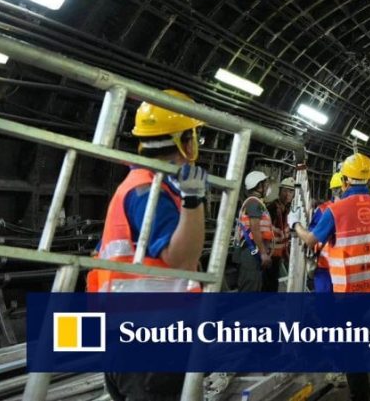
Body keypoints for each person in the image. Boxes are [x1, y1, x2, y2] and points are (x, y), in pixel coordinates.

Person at [89, 90, 209, 401]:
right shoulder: (149, 191)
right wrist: (194, 200)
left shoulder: (137, 184)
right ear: (185, 140)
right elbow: (181, 257)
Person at [289, 153, 370, 401]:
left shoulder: (335, 210)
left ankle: (360, 394)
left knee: (351, 341)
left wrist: (295, 226)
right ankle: (368, 383)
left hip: (349, 290)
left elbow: (312, 240)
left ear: (345, 180)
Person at [234, 170, 273, 292]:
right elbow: (255, 228)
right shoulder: (253, 203)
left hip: (251, 253)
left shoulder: (255, 203)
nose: (267, 186)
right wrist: (263, 253)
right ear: (258, 186)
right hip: (250, 253)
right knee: (249, 290)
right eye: (265, 184)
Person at [308, 173, 345, 293]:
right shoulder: (324, 209)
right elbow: (312, 236)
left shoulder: (323, 209)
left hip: (337, 267)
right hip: (326, 268)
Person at [263, 177, 295, 292]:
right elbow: (265, 232)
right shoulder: (272, 209)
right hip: (269, 255)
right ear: (279, 191)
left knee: (272, 285)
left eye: (291, 191)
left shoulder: (285, 210)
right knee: (268, 286)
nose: (287, 194)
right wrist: (265, 254)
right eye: (285, 190)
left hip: (277, 255)